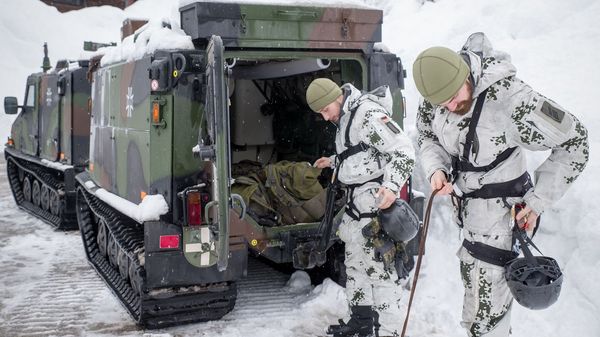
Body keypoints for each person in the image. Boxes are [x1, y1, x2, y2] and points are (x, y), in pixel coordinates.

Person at [413, 32, 589, 337]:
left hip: (501, 220)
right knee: (479, 306)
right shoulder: (435, 94)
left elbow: (575, 141)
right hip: (469, 217)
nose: (451, 105)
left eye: (454, 96)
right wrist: (435, 170)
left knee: (488, 314)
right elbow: (426, 135)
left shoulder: (509, 100)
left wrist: (536, 202)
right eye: (442, 103)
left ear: (464, 72)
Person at [306, 78, 416, 337]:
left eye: (325, 110)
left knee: (381, 272)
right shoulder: (345, 116)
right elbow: (363, 153)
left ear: (336, 98)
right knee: (355, 267)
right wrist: (335, 162)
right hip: (357, 207)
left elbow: (403, 149)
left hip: (374, 206)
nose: (324, 118)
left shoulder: (367, 114)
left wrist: (391, 186)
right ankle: (361, 321)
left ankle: (390, 331)